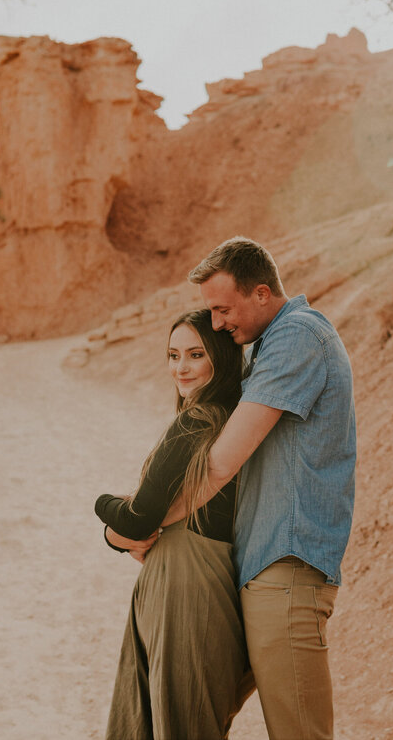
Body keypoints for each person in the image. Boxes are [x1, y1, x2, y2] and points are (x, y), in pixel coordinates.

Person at [160, 236, 357, 740]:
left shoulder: (297, 337)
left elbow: (223, 463)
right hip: (259, 567)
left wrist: (148, 526)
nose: (219, 322)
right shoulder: (270, 343)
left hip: (285, 568)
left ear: (262, 294)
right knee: (199, 712)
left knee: (297, 732)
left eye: (224, 309)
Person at [95, 308, 252, 740]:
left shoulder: (197, 421)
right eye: (173, 355)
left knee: (177, 722)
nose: (180, 367)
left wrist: (102, 509)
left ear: (219, 358)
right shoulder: (229, 420)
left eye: (195, 355)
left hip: (187, 583)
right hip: (197, 579)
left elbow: (139, 517)